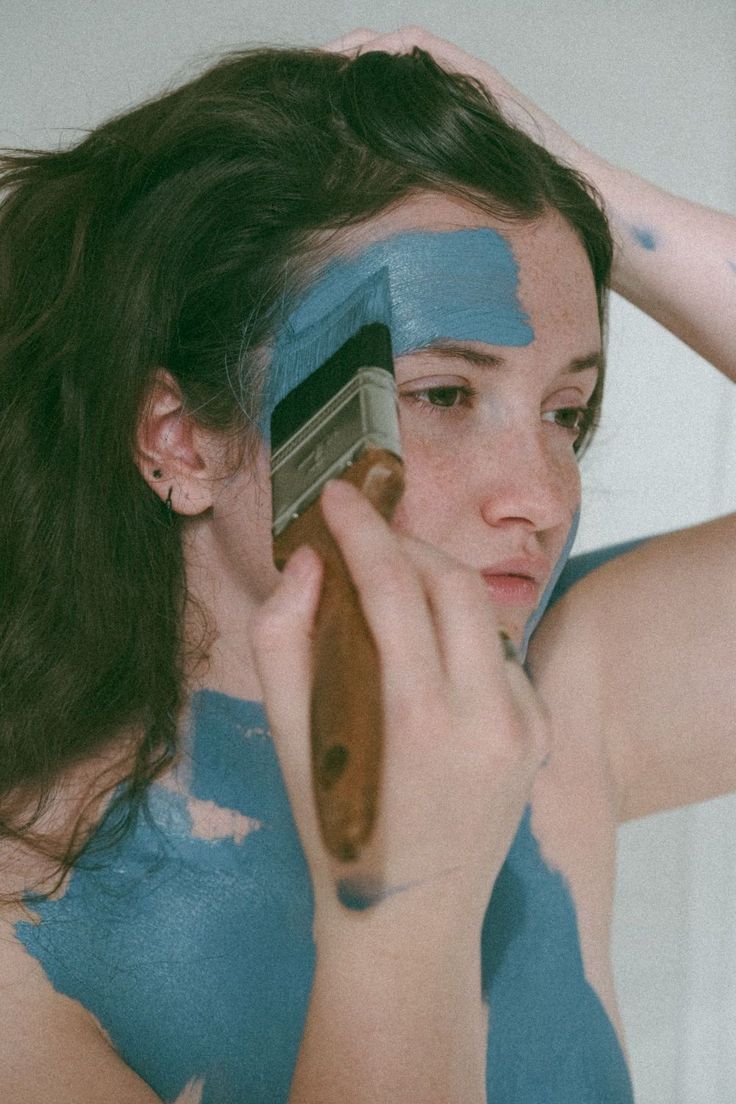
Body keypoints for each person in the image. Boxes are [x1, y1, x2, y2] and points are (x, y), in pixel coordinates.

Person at [0, 27, 733, 1104]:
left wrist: (584, 188)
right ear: (180, 440)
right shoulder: (30, 939)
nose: (538, 492)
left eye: (565, 412)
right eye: (441, 395)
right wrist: (408, 903)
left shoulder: (559, 697)